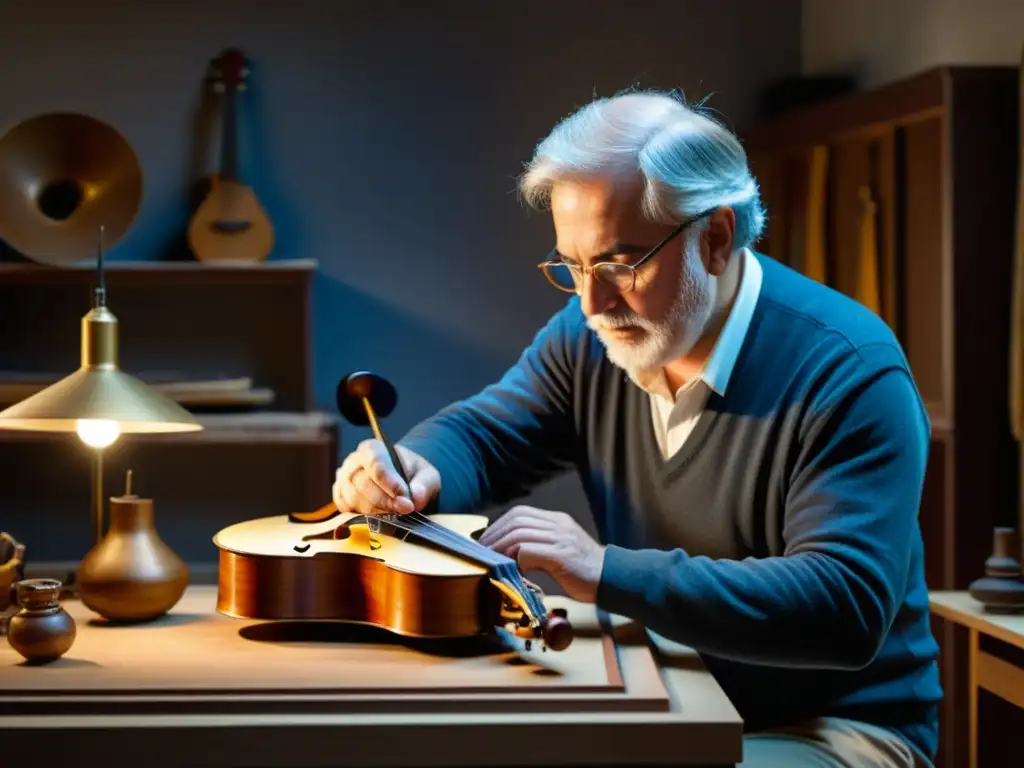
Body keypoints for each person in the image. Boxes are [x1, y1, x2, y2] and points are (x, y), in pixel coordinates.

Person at [332, 90, 941, 767]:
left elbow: (842, 607)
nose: (592, 300)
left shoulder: (848, 372)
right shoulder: (594, 334)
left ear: (715, 237)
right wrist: (416, 465)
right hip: (672, 694)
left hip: (831, 729)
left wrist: (604, 570)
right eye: (572, 265)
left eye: (620, 264)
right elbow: (489, 434)